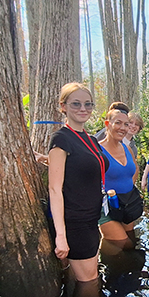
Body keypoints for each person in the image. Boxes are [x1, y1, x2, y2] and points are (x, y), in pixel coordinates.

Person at [48, 82, 108, 283]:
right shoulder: (61, 139)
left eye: (88, 104)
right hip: (75, 222)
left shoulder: (90, 139)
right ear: (63, 106)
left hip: (92, 219)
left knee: (91, 276)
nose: (83, 109)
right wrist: (61, 236)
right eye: (76, 104)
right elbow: (55, 189)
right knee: (89, 281)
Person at [98, 108, 143, 251]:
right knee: (124, 244)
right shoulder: (97, 150)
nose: (123, 128)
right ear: (107, 124)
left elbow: (135, 168)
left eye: (126, 124)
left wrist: (131, 188)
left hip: (127, 204)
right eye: (118, 123)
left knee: (131, 240)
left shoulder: (127, 148)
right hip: (107, 207)